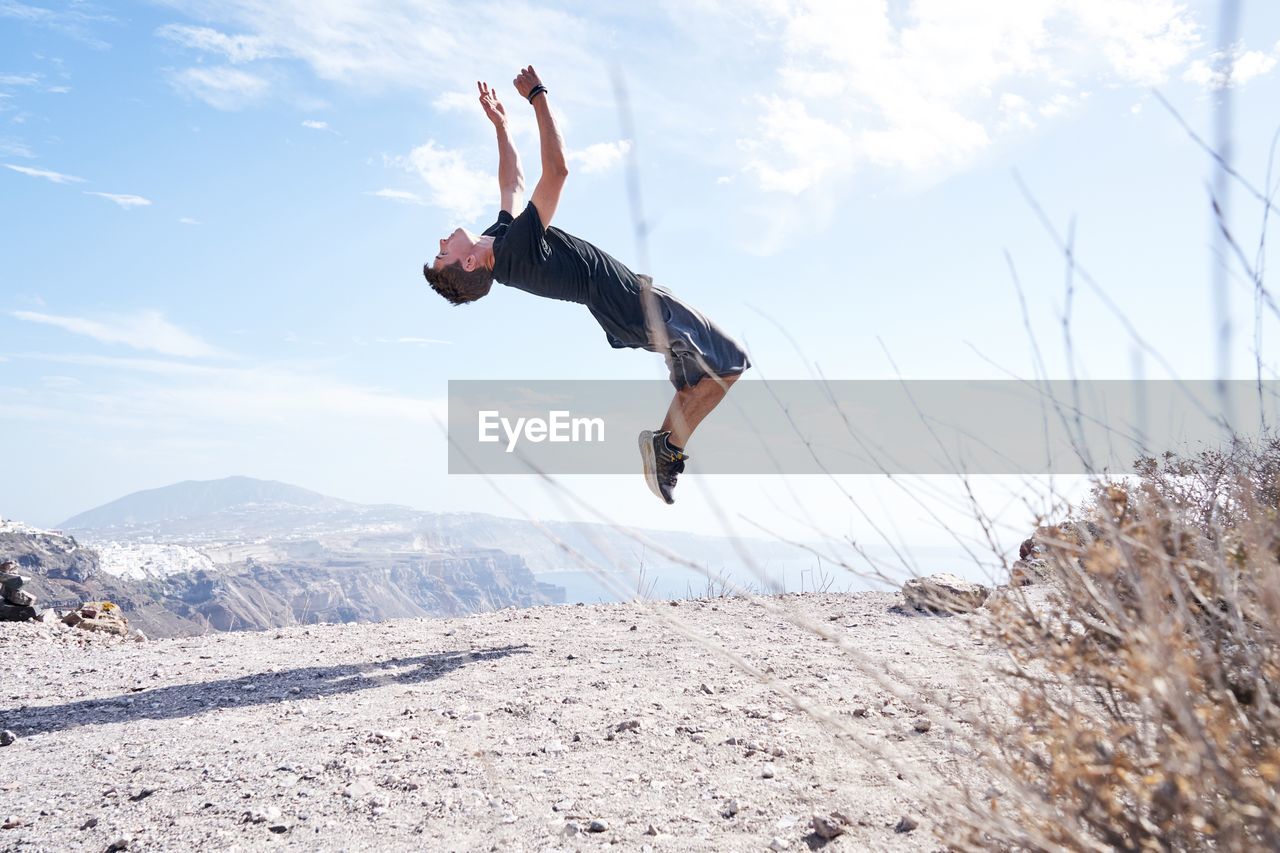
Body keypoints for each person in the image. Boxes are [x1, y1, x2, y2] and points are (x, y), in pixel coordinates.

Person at [424, 66, 748, 504]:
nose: (442, 241)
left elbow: (512, 182)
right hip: (632, 305)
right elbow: (556, 173)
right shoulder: (515, 251)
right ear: (467, 261)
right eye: (443, 252)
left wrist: (501, 126)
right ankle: (666, 449)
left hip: (628, 303)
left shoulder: (500, 240)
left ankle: (665, 447)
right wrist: (538, 96)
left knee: (703, 380)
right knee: (730, 363)